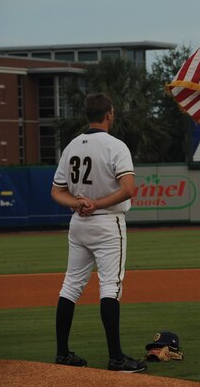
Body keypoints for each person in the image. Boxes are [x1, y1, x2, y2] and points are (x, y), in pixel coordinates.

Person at [51, 93, 146, 373]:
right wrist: (96, 204)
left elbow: (56, 191)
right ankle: (116, 358)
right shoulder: (116, 146)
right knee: (110, 287)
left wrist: (79, 203)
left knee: (70, 286)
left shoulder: (71, 146)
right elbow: (128, 190)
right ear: (109, 113)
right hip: (107, 222)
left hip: (78, 223)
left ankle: (62, 354)